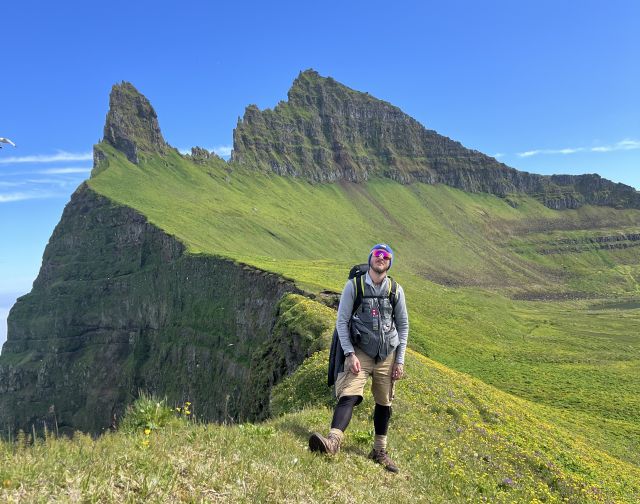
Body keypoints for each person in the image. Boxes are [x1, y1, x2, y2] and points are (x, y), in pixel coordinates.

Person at [309, 243, 409, 473]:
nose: (380, 258)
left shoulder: (395, 290)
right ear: (370, 259)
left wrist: (400, 360)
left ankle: (379, 450)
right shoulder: (354, 286)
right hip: (360, 351)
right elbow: (342, 322)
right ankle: (333, 442)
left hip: (387, 353)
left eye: (385, 256)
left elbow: (403, 326)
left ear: (390, 262)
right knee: (349, 394)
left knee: (384, 402)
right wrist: (349, 353)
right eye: (377, 254)